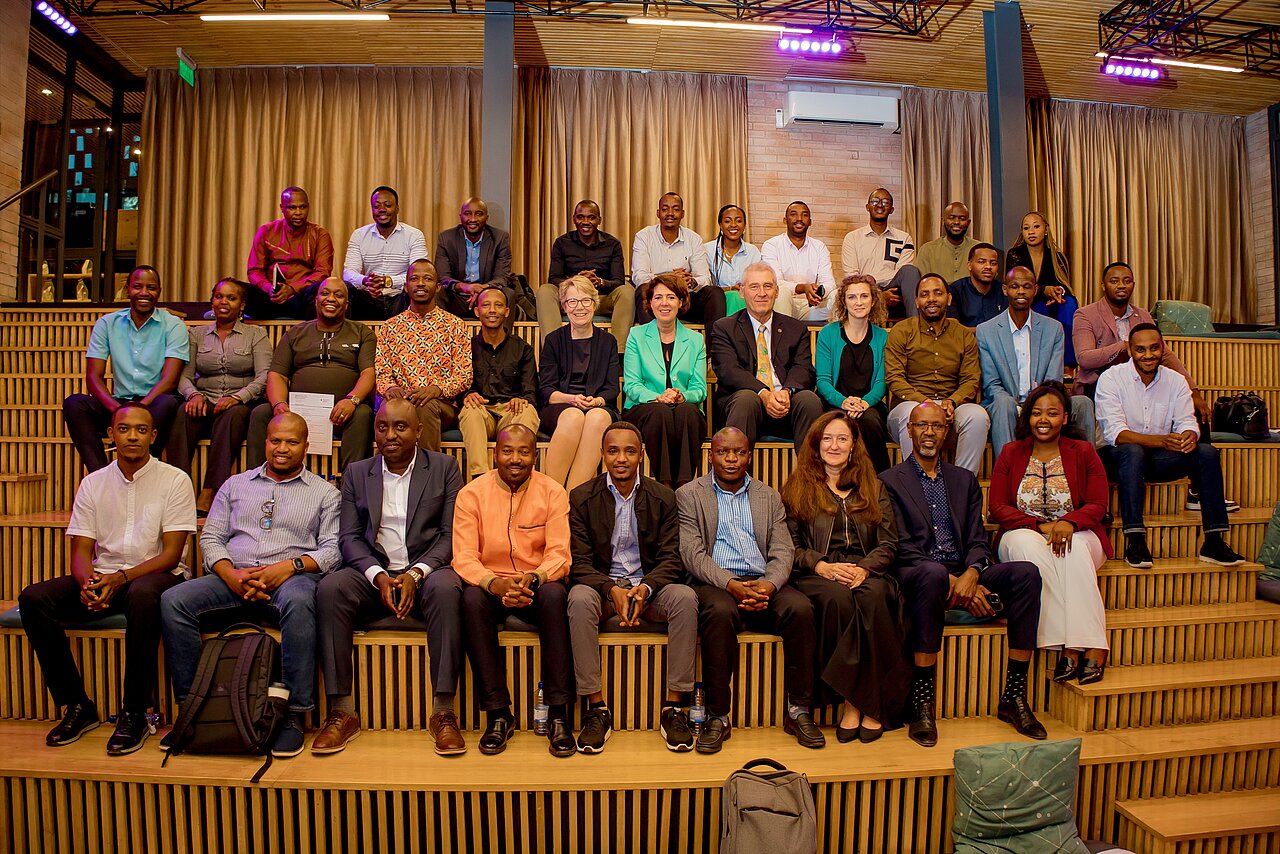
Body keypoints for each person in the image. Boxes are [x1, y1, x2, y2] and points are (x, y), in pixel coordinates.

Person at [160, 413, 341, 758]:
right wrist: (230, 574)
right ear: (265, 442)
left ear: (306, 446)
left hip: (290, 580)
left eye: (292, 442)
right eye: (275, 440)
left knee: (302, 601)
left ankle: (294, 714)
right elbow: (211, 537)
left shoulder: (324, 493)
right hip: (232, 578)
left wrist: (287, 568)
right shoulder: (234, 485)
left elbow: (332, 550)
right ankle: (192, 709)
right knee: (173, 600)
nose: (282, 448)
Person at [19, 405, 195, 755]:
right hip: (107, 573)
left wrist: (119, 579)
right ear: (111, 435)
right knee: (34, 598)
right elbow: (81, 551)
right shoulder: (93, 483)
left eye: (141, 430)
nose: (133, 436)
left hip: (157, 576)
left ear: (152, 436)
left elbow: (171, 555)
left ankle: (135, 711)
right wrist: (89, 584)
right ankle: (77, 705)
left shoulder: (175, 480)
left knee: (143, 596)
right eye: (124, 429)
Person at [880, 402, 1046, 746]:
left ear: (947, 433)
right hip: (918, 574)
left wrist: (972, 572)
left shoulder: (964, 480)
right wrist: (955, 581)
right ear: (909, 431)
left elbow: (976, 539)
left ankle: (1014, 696)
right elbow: (899, 545)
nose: (929, 433)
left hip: (964, 572)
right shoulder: (889, 481)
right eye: (922, 426)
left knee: (1027, 573)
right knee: (931, 574)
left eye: (937, 427)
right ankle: (921, 701)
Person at [314, 399, 468, 755]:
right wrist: (377, 575)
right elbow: (349, 537)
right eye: (383, 427)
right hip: (375, 574)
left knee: (448, 588)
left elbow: (449, 535)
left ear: (418, 431)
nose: (390, 435)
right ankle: (341, 712)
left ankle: (444, 711)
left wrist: (416, 573)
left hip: (425, 572)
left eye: (400, 427)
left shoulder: (445, 468)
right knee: (330, 588)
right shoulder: (357, 472)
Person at [677, 428, 820, 753]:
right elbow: (692, 553)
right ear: (710, 455)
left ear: (750, 455)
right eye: (723, 452)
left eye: (739, 452)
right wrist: (731, 585)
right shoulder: (689, 494)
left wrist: (769, 584)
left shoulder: (768, 496)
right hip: (718, 582)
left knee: (801, 609)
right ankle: (717, 715)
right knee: (719, 611)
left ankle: (799, 710)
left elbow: (784, 550)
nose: (731, 459)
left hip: (763, 580)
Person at [567, 422, 699, 753]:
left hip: (648, 587)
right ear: (602, 455)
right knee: (578, 599)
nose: (621, 458)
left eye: (629, 451)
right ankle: (596, 708)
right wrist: (609, 588)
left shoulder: (663, 497)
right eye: (613, 451)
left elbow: (672, 558)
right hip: (603, 590)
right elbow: (579, 562)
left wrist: (648, 587)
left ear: (642, 454)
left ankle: (675, 708)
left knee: (685, 597)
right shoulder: (581, 498)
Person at [781, 412, 908, 743]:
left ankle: (857, 704)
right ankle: (858, 703)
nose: (834, 445)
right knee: (839, 600)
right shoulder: (797, 487)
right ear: (816, 444)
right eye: (827, 438)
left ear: (853, 445)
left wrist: (865, 568)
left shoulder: (874, 486)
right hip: (818, 571)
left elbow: (889, 543)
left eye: (841, 439)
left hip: (866, 568)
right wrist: (821, 565)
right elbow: (788, 545)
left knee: (876, 597)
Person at [453, 425, 576, 757]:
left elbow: (560, 554)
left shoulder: (553, 492)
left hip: (536, 584)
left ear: (535, 455)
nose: (515, 459)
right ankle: (498, 713)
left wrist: (534, 578)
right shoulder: (471, 494)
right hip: (491, 584)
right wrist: (493, 582)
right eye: (508, 451)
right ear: (495, 454)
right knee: (470, 599)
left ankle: (558, 712)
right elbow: (463, 556)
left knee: (555, 596)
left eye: (524, 451)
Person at [1095, 324, 1245, 569]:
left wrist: (1188, 435)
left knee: (1206, 453)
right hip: (1118, 459)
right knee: (1133, 451)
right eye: (1140, 349)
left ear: (1162, 349)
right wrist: (1163, 440)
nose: (1148, 355)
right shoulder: (1111, 378)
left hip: (1157, 459)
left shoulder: (1176, 381)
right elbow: (1116, 434)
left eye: (1154, 348)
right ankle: (1135, 539)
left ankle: (1214, 541)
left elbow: (1187, 420)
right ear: (1131, 351)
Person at [989, 383, 1111, 686]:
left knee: (1074, 550)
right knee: (1031, 549)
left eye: (1052, 413)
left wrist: (1069, 523)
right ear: (1027, 418)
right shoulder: (1010, 452)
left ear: (1065, 418)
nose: (1043, 420)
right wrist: (1039, 525)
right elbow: (997, 507)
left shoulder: (1082, 451)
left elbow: (1098, 503)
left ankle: (1079, 646)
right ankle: (1066, 642)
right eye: (1037, 413)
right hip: (1022, 531)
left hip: (1079, 532)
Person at [62, 265, 187, 473]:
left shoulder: (173, 325)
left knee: (167, 403)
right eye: (138, 286)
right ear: (128, 289)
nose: (144, 293)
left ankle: (142, 471)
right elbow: (93, 376)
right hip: (118, 403)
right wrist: (118, 410)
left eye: (151, 287)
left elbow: (169, 380)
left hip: (156, 402)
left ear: (159, 292)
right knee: (75, 404)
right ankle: (101, 475)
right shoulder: (107, 323)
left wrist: (139, 410)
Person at [247, 278, 376, 474]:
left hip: (343, 413)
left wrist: (352, 400)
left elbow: (369, 372)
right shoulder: (295, 334)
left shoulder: (362, 333)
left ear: (347, 304)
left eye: (338, 295)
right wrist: (279, 404)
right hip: (297, 412)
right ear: (316, 300)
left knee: (363, 413)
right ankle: (256, 482)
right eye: (325, 293)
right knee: (261, 413)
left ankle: (351, 487)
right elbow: (277, 375)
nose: (331, 298)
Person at [170, 277, 271, 514]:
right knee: (182, 413)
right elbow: (183, 375)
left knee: (232, 416)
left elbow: (264, 375)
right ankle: (177, 489)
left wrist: (238, 398)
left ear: (242, 305)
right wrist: (193, 395)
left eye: (231, 298)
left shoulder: (256, 334)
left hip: (239, 401)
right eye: (219, 296)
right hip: (204, 397)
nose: (223, 302)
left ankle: (210, 491)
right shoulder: (196, 334)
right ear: (212, 301)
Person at [977, 267, 1095, 458]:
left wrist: (1037, 405)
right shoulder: (986, 331)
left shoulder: (1053, 328)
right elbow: (992, 385)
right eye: (1015, 286)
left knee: (1083, 404)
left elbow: (1053, 381)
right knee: (1003, 403)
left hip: (1044, 398)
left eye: (1026, 286)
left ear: (1035, 289)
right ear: (1005, 290)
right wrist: (1018, 406)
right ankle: (1010, 474)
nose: (1021, 292)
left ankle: (1084, 473)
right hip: (1006, 403)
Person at [1072, 262, 1210, 419]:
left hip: (1142, 382)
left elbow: (1165, 354)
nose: (1122, 286)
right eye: (1114, 281)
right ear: (1103, 286)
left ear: (1134, 285)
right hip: (1100, 383)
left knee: (1189, 404)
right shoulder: (1085, 315)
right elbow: (1085, 359)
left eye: (1127, 281)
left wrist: (1193, 390)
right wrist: (1124, 346)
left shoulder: (1143, 315)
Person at [709, 262, 822, 452]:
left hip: (785, 406)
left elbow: (803, 368)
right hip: (744, 407)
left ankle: (810, 477)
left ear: (777, 292)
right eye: (754, 287)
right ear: (742, 292)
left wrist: (786, 392)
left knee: (809, 400)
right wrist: (763, 393)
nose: (762, 293)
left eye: (767, 286)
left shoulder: (796, 328)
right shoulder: (724, 327)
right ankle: (734, 479)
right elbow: (728, 371)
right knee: (747, 398)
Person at [884, 273, 989, 475]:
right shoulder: (902, 331)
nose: (931, 299)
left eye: (938, 293)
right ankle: (915, 483)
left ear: (948, 298)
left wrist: (952, 401)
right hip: (910, 404)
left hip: (951, 408)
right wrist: (926, 404)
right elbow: (894, 378)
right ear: (916, 301)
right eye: (924, 294)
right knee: (913, 413)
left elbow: (971, 379)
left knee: (977, 416)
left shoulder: (963, 334)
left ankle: (962, 485)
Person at [376, 259, 474, 453]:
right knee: (390, 410)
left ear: (437, 287)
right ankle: (387, 475)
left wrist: (437, 389)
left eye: (427, 279)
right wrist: (391, 387)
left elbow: (464, 376)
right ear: (405, 287)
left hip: (441, 406)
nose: (420, 283)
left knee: (425, 406)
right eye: (414, 279)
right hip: (401, 402)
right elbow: (382, 372)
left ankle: (428, 476)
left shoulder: (455, 325)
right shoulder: (390, 327)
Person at [622, 274, 707, 488]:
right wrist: (658, 397)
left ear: (681, 301)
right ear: (650, 303)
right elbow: (632, 386)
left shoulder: (695, 340)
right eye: (658, 297)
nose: (664, 303)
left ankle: (685, 485)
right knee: (660, 412)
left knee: (687, 411)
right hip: (644, 408)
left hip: (682, 410)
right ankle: (665, 484)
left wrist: (681, 395)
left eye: (671, 297)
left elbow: (699, 389)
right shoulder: (636, 335)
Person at [538, 275, 621, 491]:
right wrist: (572, 399)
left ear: (594, 304)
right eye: (572, 301)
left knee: (596, 417)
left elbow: (612, 388)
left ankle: (573, 499)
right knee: (574, 415)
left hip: (598, 406)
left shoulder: (608, 341)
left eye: (585, 301)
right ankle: (553, 495)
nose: (579, 308)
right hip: (560, 406)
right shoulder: (554, 340)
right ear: (564, 306)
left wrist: (597, 401)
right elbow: (547, 389)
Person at [459, 286, 540, 480]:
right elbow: (458, 384)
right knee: (469, 411)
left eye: (498, 305)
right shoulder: (466, 348)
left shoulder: (522, 349)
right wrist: (467, 394)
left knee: (527, 411)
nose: (492, 310)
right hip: (481, 412)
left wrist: (522, 399)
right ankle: (481, 478)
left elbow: (531, 391)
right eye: (486, 305)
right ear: (477, 311)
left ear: (507, 311)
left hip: (510, 412)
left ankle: (521, 475)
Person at [815, 276, 891, 473]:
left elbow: (882, 381)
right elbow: (823, 381)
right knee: (833, 423)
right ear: (844, 302)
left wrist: (864, 402)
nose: (859, 302)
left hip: (869, 405)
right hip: (834, 403)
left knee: (871, 421)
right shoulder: (828, 333)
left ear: (873, 301)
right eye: (852, 297)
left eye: (864, 296)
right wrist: (844, 402)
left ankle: (879, 482)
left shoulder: (883, 337)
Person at [538, 200, 632, 351]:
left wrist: (599, 281)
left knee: (627, 291)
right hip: (571, 299)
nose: (585, 222)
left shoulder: (612, 244)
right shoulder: (562, 243)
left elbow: (618, 281)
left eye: (591, 217)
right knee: (545, 290)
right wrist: (576, 281)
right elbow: (554, 279)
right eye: (581, 217)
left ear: (599, 220)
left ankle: (618, 352)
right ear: (574, 219)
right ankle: (554, 350)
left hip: (601, 300)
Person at [631, 192, 725, 332]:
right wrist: (670, 280)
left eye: (675, 209)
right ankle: (651, 349)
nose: (670, 213)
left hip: (685, 301)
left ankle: (715, 352)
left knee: (715, 293)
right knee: (642, 290)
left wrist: (691, 281)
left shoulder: (694, 239)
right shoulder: (644, 236)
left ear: (682, 214)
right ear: (658, 213)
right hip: (657, 300)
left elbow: (705, 278)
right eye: (665, 209)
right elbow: (639, 276)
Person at [341, 186, 429, 320]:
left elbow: (419, 274)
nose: (382, 209)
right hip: (370, 298)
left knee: (420, 287)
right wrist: (366, 281)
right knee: (345, 288)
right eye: (377, 206)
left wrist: (388, 281)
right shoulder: (359, 235)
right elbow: (348, 273)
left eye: (387, 205)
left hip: (401, 299)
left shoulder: (414, 235)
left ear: (397, 209)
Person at [246, 186, 334, 319]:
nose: (298, 212)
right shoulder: (266, 231)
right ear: (282, 208)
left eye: (302, 207)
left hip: (302, 297)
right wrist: (268, 288)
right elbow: (254, 271)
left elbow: (323, 272)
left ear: (308, 207)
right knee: (237, 289)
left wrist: (292, 289)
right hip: (270, 296)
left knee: (321, 290)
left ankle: (311, 336)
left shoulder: (320, 234)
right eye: (292, 208)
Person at [1006, 212, 1078, 366]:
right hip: (1028, 300)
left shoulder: (1057, 256)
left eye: (1036, 227)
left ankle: (1068, 364)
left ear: (1045, 230)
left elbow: (1064, 284)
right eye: (1026, 228)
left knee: (1069, 304)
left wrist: (1058, 292)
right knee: (1040, 310)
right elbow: (1015, 285)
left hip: (1053, 300)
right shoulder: (1015, 255)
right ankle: (1040, 362)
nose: (1031, 232)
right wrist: (1044, 290)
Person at [840, 188, 921, 317]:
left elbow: (903, 274)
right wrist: (878, 295)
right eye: (875, 201)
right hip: (865, 293)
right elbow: (851, 277)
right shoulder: (852, 238)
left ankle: (916, 327)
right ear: (867, 207)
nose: (879, 205)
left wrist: (884, 290)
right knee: (862, 281)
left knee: (910, 271)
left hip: (894, 293)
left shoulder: (904, 238)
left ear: (892, 209)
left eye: (885, 202)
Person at [434, 197, 515, 320]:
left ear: (486, 218)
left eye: (479, 214)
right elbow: (443, 277)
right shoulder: (447, 238)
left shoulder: (500, 238)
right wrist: (466, 287)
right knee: (436, 292)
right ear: (460, 217)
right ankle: (440, 337)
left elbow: (502, 277)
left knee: (508, 293)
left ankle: (503, 339)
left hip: (488, 297)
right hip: (457, 297)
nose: (473, 219)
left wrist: (482, 291)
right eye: (468, 214)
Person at [761, 201, 837, 322]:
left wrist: (817, 292)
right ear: (785, 220)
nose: (799, 219)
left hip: (812, 306)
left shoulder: (819, 247)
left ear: (810, 221)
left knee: (837, 296)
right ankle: (783, 340)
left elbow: (829, 282)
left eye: (804, 215)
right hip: (782, 305)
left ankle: (832, 340)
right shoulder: (771, 245)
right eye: (794, 214)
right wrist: (802, 288)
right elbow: (775, 283)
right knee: (782, 293)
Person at [704, 203, 761, 317]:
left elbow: (757, 283)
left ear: (744, 225)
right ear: (720, 225)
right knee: (733, 296)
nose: (733, 225)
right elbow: (704, 287)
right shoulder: (707, 250)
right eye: (727, 221)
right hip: (715, 304)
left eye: (738, 221)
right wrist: (730, 289)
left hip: (746, 302)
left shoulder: (752, 252)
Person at [915, 202, 979, 286]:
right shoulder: (927, 250)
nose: (956, 222)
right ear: (943, 221)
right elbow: (922, 285)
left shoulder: (979, 249)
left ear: (968, 222)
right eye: (952, 218)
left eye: (962, 218)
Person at [948, 243, 1006, 328]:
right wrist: (986, 333)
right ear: (969, 266)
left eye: (993, 263)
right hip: (966, 341)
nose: (988, 267)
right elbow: (954, 328)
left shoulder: (1004, 290)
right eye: (981, 262)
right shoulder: (955, 290)